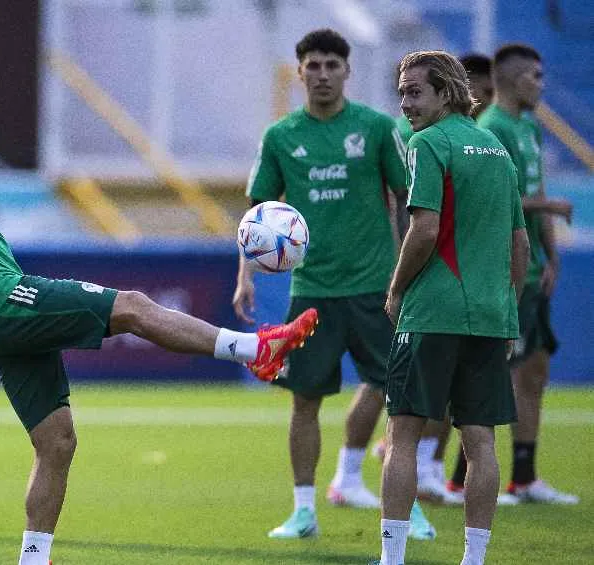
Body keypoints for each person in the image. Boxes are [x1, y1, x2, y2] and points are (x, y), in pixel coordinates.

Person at [0, 61, 318, 565]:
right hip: (2, 298)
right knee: (132, 306)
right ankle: (254, 349)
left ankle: (33, 560)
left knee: (57, 441)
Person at [232, 29, 434, 540]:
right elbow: (258, 214)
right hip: (313, 291)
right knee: (305, 400)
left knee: (404, 397)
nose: (322, 74)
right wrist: (245, 276)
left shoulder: (375, 127)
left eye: (331, 65)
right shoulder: (280, 137)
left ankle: (406, 508)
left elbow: (409, 203)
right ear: (299, 72)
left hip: (375, 289)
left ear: (347, 71)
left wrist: (411, 275)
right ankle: (303, 511)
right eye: (313, 66)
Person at [375, 50, 529, 565]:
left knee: (402, 435)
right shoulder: (498, 151)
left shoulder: (428, 143)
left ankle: (393, 559)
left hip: (433, 313)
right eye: (401, 92)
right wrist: (507, 311)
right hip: (489, 318)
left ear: (445, 91)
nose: (406, 103)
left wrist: (395, 290)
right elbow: (520, 247)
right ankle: (474, 560)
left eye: (415, 91)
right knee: (480, 441)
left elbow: (423, 229)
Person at [458, 43, 576, 505]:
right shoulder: (492, 128)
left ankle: (525, 476)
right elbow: (491, 199)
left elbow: (537, 189)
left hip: (533, 270)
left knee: (535, 371)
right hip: (502, 272)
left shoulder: (529, 129)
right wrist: (547, 207)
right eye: (536, 77)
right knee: (489, 375)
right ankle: (455, 477)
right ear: (512, 79)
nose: (541, 85)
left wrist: (554, 256)